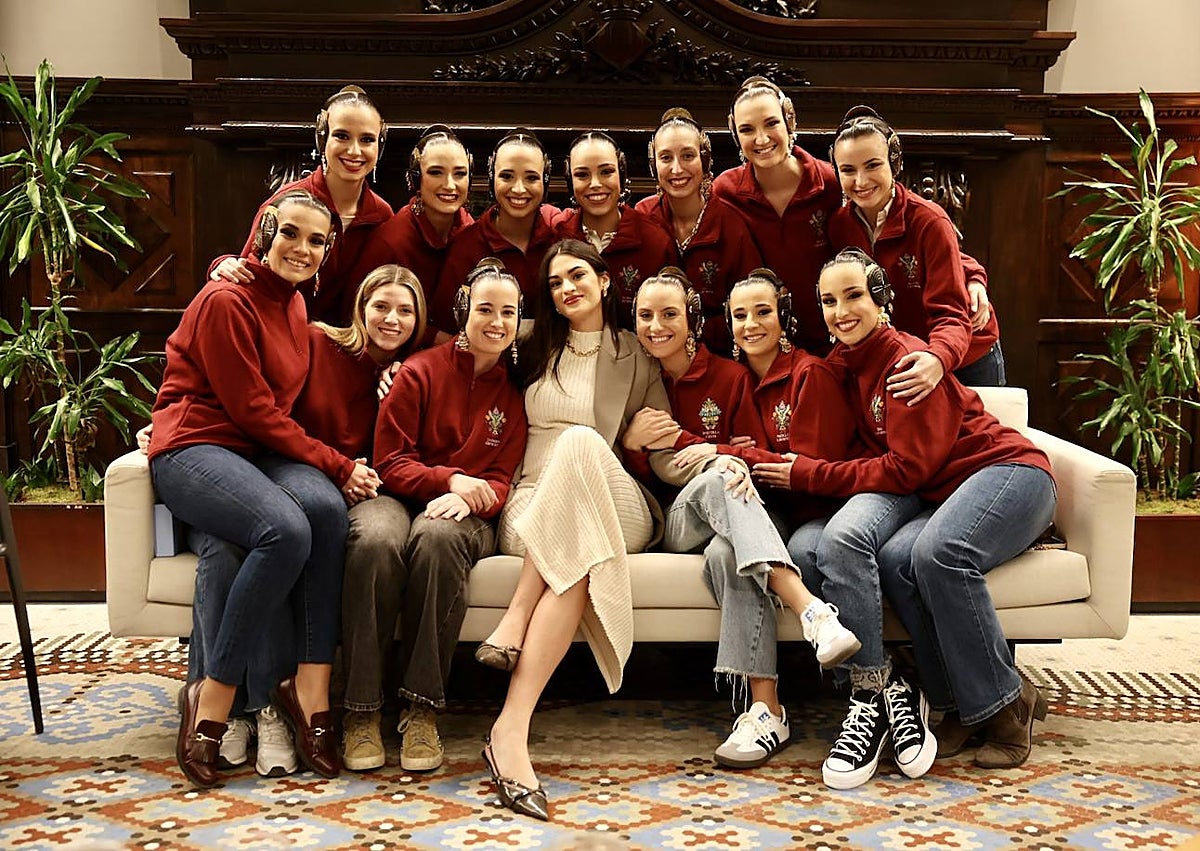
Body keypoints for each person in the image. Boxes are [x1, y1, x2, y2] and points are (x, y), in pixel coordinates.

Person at [754, 248, 1056, 789]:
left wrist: (809, 475)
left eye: (854, 297)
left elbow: (905, 470)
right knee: (897, 556)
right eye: (828, 301)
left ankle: (1007, 710)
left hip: (1009, 471)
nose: (841, 311)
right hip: (946, 490)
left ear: (882, 303)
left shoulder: (905, 360)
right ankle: (959, 703)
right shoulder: (844, 365)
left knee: (939, 554)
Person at [148, 189, 380, 787]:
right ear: (265, 233)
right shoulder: (227, 299)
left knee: (327, 512)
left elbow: (279, 409)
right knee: (284, 529)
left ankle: (310, 684)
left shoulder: (296, 306)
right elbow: (253, 409)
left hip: (254, 455)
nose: (301, 249)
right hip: (195, 447)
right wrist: (335, 460)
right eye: (291, 234)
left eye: (316, 241)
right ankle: (214, 694)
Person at [474, 239, 688, 821]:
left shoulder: (636, 355)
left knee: (577, 442)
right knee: (574, 560)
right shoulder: (526, 346)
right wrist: (393, 368)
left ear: (601, 279)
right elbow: (461, 357)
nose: (567, 288)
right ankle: (509, 730)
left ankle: (515, 617)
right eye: (554, 282)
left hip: (615, 499)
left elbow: (666, 451)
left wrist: (703, 455)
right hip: (532, 506)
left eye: (577, 275)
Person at [631, 268, 858, 770]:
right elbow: (693, 456)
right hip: (669, 520)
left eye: (669, 315)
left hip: (731, 519)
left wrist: (714, 451)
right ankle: (809, 608)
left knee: (727, 549)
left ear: (692, 320)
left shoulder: (732, 378)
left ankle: (765, 709)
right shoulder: (633, 373)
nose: (656, 326)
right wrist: (638, 446)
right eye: (645, 316)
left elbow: (743, 453)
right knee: (719, 477)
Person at [340, 258, 527, 773]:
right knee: (376, 540)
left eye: (507, 312)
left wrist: (469, 496)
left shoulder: (513, 394)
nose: (495, 321)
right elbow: (390, 461)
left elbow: (502, 480)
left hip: (464, 513)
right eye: (484, 308)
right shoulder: (420, 371)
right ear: (464, 310)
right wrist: (449, 479)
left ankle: (421, 708)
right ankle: (361, 710)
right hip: (398, 493)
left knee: (438, 538)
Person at [827, 105, 1005, 403]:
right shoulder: (838, 226)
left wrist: (937, 358)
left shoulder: (929, 221)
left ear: (894, 163)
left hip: (965, 357)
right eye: (848, 170)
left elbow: (950, 312)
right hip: (906, 358)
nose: (860, 181)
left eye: (872, 165)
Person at [209, 86, 393, 325]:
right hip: (280, 334)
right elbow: (247, 272)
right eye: (342, 136)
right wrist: (223, 265)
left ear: (380, 145)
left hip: (349, 346)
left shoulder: (382, 215)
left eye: (367, 139)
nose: (354, 150)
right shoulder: (287, 202)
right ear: (322, 138)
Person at [712, 75, 842, 354]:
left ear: (789, 122)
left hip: (831, 343)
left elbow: (879, 217)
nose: (761, 139)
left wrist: (963, 269)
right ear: (735, 135)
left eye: (771, 123)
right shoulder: (724, 191)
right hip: (760, 349)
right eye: (747, 129)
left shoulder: (830, 183)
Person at [636, 108, 762, 352]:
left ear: (704, 161)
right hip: (653, 350)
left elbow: (751, 303)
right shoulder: (642, 216)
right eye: (665, 158)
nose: (676, 169)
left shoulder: (730, 223)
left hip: (719, 354)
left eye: (687, 156)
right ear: (653, 166)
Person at [345, 125, 475, 343]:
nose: (450, 185)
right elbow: (357, 315)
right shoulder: (390, 242)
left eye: (460, 174)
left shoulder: (471, 231)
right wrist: (438, 339)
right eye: (436, 173)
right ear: (416, 179)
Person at [432, 129, 560, 333]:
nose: (519, 189)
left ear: (545, 181)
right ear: (491, 179)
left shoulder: (560, 234)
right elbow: (444, 327)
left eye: (531, 178)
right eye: (507, 176)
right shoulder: (466, 246)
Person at [552, 130, 674, 324]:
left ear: (622, 174)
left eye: (606, 172)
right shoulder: (557, 239)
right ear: (569, 181)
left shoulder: (655, 241)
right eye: (582, 175)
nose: (595, 184)